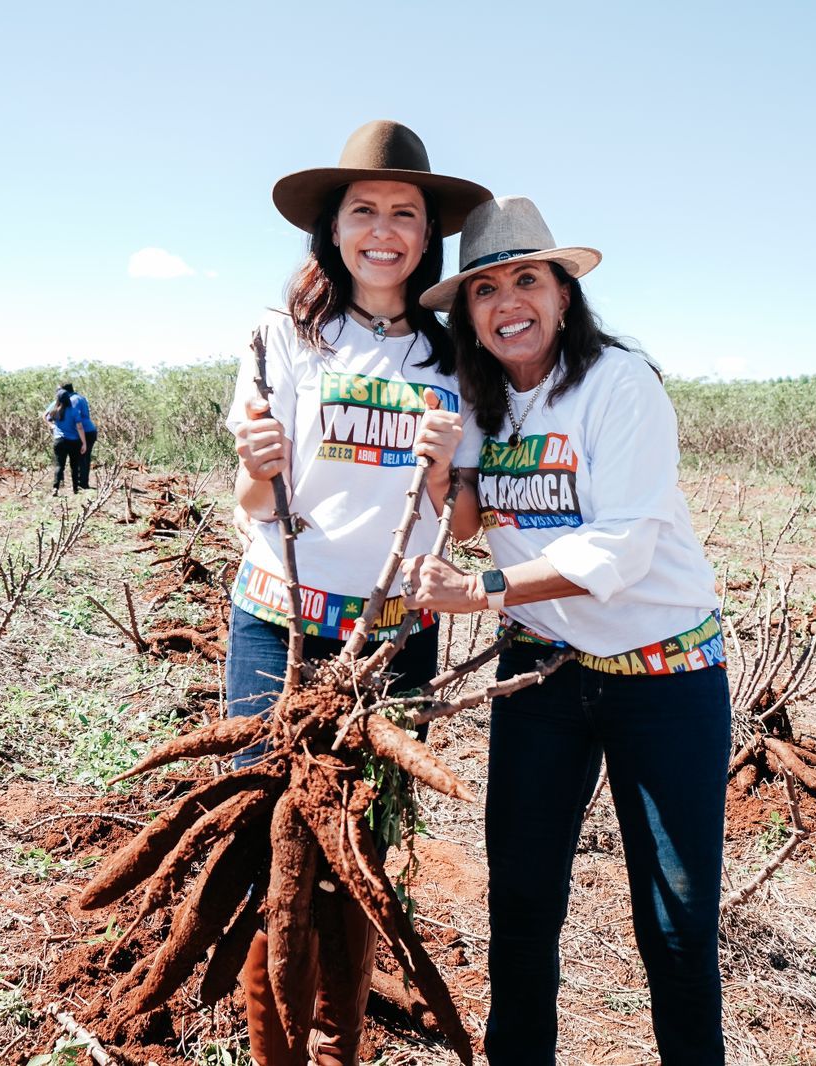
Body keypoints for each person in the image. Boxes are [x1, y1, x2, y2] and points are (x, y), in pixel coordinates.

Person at [400, 196, 730, 1065]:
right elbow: (469, 516)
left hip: (664, 675)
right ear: (467, 313)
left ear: (562, 293)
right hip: (543, 672)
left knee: (676, 923)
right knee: (521, 905)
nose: (509, 302)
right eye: (485, 289)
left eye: (527, 280)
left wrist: (484, 590)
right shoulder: (480, 398)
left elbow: (617, 549)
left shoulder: (620, 385)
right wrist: (441, 470)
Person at [225, 119, 489, 1066]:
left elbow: (462, 526)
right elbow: (256, 499)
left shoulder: (456, 356)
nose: (385, 229)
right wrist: (259, 465)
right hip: (278, 626)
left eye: (405, 214)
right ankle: (276, 1048)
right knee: (277, 846)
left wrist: (447, 470)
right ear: (332, 231)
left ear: (429, 237)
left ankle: (343, 1050)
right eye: (364, 211)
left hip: (390, 639)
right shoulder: (282, 339)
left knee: (362, 852)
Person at [43, 383, 89, 495]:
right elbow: (79, 427)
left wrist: (52, 426)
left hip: (59, 441)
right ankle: (75, 489)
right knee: (74, 466)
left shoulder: (55, 411)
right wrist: (84, 443)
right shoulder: (74, 411)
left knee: (59, 465)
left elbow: (46, 417)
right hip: (73, 441)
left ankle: (55, 488)